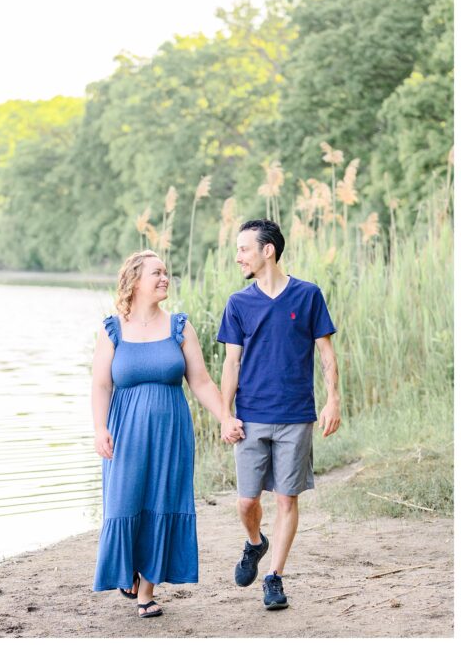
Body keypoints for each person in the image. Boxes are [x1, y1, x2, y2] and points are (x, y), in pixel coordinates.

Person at [91, 249, 228, 618]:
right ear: (135, 282)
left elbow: (200, 382)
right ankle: (127, 572)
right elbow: (102, 385)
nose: (165, 278)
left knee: (163, 501)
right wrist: (99, 428)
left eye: (167, 272)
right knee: (124, 503)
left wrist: (225, 418)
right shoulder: (112, 329)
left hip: (171, 432)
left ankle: (146, 592)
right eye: (157, 273)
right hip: (125, 432)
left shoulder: (180, 327)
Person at [217, 219, 341, 610]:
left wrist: (333, 399)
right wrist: (224, 415)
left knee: (287, 499)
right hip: (251, 416)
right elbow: (231, 364)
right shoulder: (238, 303)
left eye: (243, 249)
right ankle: (256, 542)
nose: (238, 256)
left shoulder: (308, 295)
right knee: (246, 502)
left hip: (296, 415)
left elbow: (326, 353)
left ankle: (274, 577)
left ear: (267, 250)